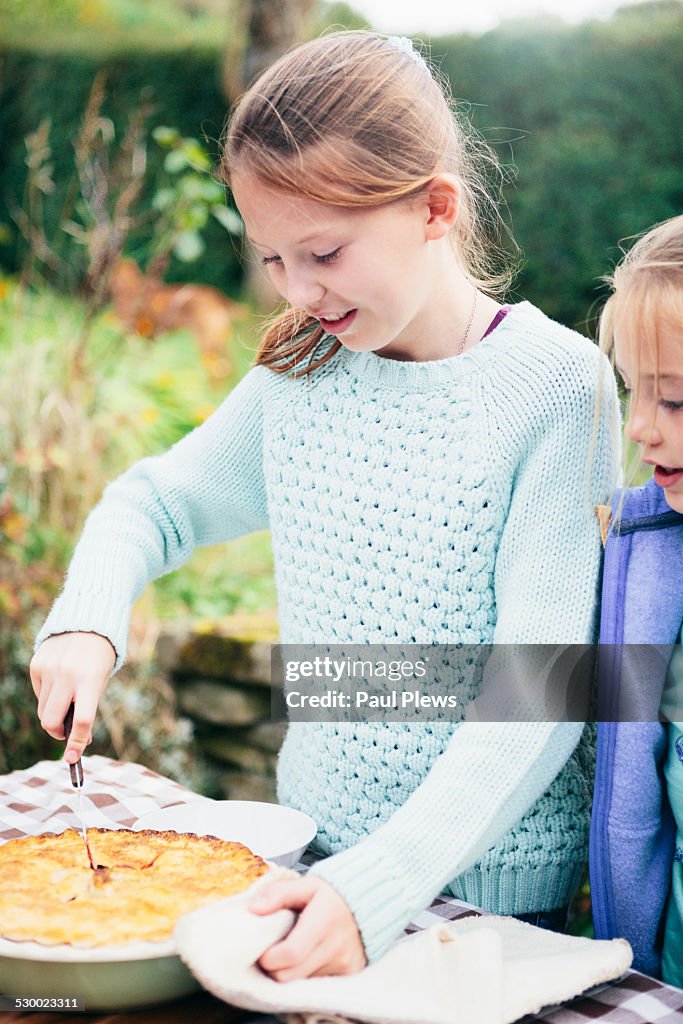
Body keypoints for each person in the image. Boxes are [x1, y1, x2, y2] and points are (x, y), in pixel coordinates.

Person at [31, 31, 619, 979]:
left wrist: (381, 884)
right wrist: (86, 621)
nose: (298, 293)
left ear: (434, 208)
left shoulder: (555, 388)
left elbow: (540, 691)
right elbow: (152, 503)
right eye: (269, 258)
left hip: (482, 902)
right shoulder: (298, 376)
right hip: (309, 860)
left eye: (323, 252)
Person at [589, 214, 683, 984]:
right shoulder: (645, 549)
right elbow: (554, 687)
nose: (640, 430)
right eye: (632, 394)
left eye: (675, 402)